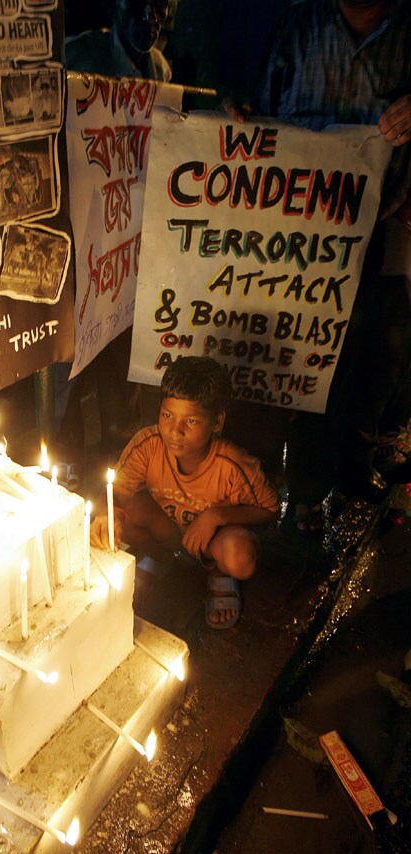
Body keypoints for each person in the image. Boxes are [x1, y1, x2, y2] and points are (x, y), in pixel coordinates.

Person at [223, 0, 411, 533]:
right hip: (280, 231)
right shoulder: (296, 24)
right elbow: (256, 105)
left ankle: (306, 495)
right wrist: (238, 112)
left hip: (364, 230)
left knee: (330, 365)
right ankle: (250, 497)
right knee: (262, 354)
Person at [55, 0, 173, 467]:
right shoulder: (78, 56)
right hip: (85, 229)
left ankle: (115, 459)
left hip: (129, 235)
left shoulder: (159, 67)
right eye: (140, 7)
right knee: (73, 354)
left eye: (160, 10)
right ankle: (61, 460)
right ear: (117, 6)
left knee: (121, 345)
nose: (150, 20)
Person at [90, 356, 280, 628]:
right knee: (126, 512)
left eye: (190, 421)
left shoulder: (233, 464)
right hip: (167, 532)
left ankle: (219, 574)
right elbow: (116, 492)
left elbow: (270, 509)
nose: (174, 431)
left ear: (216, 422)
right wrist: (106, 515)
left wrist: (216, 516)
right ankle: (159, 561)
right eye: (167, 415)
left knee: (242, 557)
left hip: (212, 542)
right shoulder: (149, 443)